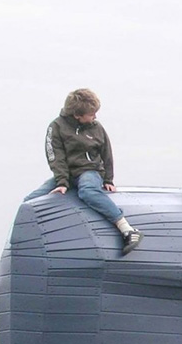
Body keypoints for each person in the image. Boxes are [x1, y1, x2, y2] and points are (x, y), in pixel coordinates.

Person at [24, 88, 142, 254]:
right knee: (30, 201)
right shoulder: (56, 127)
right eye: (92, 114)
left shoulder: (96, 128)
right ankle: (30, 245)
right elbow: (55, 157)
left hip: (90, 171)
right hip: (67, 174)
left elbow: (106, 153)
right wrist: (62, 182)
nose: (95, 117)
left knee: (88, 191)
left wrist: (108, 179)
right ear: (77, 115)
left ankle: (127, 229)